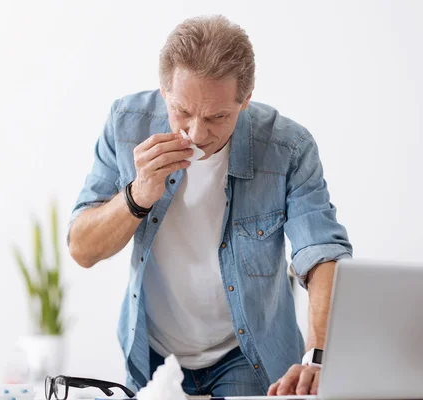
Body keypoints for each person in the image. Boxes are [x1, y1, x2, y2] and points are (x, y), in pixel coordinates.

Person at [67, 15, 352, 397]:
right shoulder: (125, 125)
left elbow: (320, 253)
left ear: (245, 100)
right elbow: (82, 250)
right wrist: (137, 195)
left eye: (218, 116)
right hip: (152, 352)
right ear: (164, 90)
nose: (197, 133)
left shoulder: (288, 147)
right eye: (182, 112)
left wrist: (317, 356)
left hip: (248, 354)